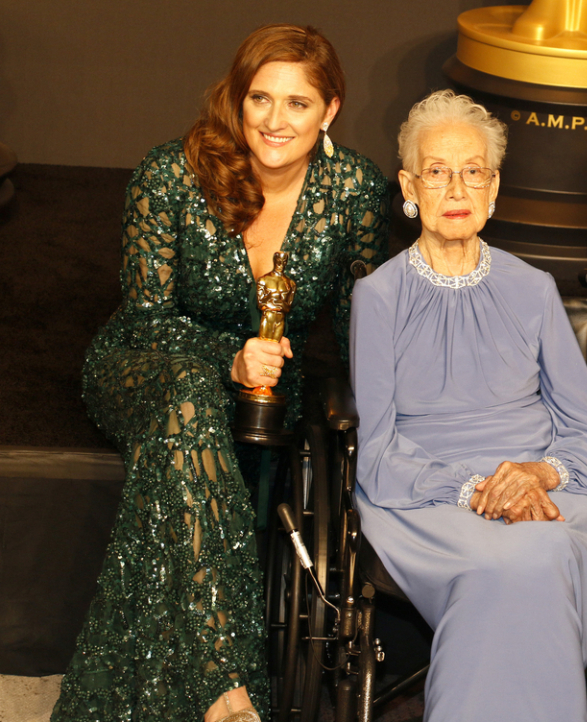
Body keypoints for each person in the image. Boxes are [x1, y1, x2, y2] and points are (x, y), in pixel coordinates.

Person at [52, 24, 389, 722]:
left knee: (194, 416)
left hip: (271, 382)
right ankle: (223, 680)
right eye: (259, 98)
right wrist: (227, 358)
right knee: (188, 397)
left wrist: (393, 416)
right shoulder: (170, 173)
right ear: (235, 101)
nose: (274, 120)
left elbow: (365, 319)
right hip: (145, 363)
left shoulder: (355, 187)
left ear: (329, 112)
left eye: (298, 104)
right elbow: (146, 316)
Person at [350, 90, 587, 722]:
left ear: (495, 187)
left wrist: (539, 474)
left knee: (539, 550)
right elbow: (377, 452)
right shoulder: (378, 297)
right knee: (515, 560)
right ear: (409, 185)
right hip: (425, 499)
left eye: (473, 170)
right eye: (437, 171)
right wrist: (478, 486)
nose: (456, 187)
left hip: (545, 489)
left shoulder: (532, 290)